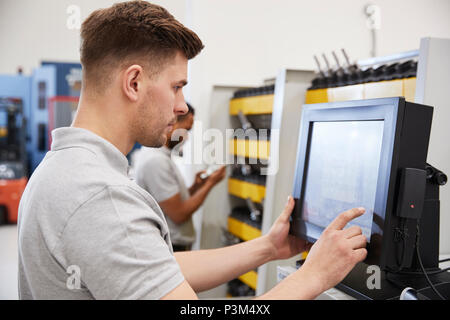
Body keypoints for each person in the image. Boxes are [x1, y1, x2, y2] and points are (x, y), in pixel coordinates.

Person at [17, 1, 367, 300]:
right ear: (134, 82)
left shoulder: (63, 168)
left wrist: (267, 248)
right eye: (177, 86)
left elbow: (158, 270)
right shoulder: (101, 197)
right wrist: (314, 277)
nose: (183, 106)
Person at [134, 103, 226, 252]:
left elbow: (174, 201)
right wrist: (210, 184)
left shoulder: (162, 157)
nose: (187, 137)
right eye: (187, 129)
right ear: (172, 123)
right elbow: (179, 214)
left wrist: (197, 187)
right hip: (169, 246)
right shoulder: (156, 161)